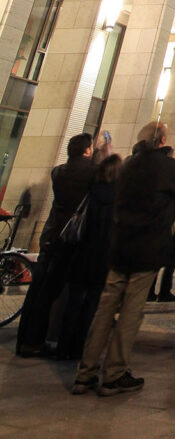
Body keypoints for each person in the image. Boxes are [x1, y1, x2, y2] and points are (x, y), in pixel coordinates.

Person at [72, 122, 175, 397]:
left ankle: (85, 372)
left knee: (105, 309)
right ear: (162, 141)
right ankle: (113, 374)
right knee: (130, 312)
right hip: (147, 247)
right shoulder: (167, 167)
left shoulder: (128, 165)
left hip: (119, 245)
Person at [15, 132, 95, 357]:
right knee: (52, 291)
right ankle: (38, 341)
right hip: (69, 238)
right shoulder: (91, 172)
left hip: (51, 234)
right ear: (86, 150)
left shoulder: (58, 171)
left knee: (38, 288)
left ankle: (25, 339)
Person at [60, 152, 120, 360]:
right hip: (103, 258)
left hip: (82, 253)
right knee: (93, 303)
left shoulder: (90, 193)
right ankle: (79, 347)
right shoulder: (119, 199)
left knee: (73, 302)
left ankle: (63, 347)